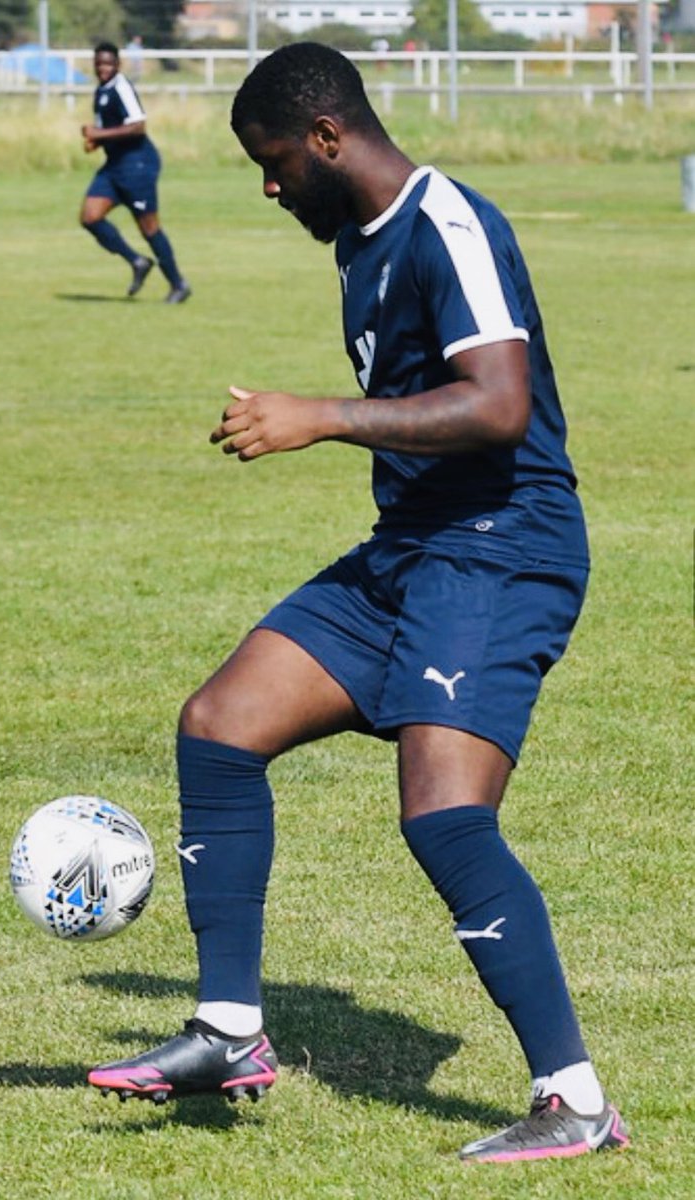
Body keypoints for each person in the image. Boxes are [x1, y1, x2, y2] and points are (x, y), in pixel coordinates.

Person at [87, 42, 630, 1163]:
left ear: (329, 137)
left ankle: (574, 1101)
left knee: (441, 813)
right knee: (221, 724)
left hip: (504, 547)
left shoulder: (451, 225)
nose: (271, 186)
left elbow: (498, 405)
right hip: (413, 548)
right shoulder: (357, 242)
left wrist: (322, 416)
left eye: (276, 162)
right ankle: (231, 1031)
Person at [79, 42, 190, 304]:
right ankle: (137, 261)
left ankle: (178, 284)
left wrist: (98, 134)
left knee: (149, 228)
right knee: (90, 217)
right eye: (99, 64)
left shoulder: (122, 87)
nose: (103, 68)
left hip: (138, 165)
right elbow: (110, 128)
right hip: (114, 166)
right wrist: (96, 141)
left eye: (108, 63)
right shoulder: (101, 91)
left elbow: (138, 126)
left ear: (117, 64)